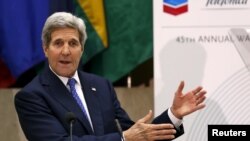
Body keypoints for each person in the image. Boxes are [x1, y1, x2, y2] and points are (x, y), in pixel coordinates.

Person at [14, 12, 207, 141]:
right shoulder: (31, 96)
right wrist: (123, 138)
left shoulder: (100, 85)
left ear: (82, 49)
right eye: (58, 43)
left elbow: (138, 135)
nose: (66, 51)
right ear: (45, 49)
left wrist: (173, 115)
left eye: (73, 43)